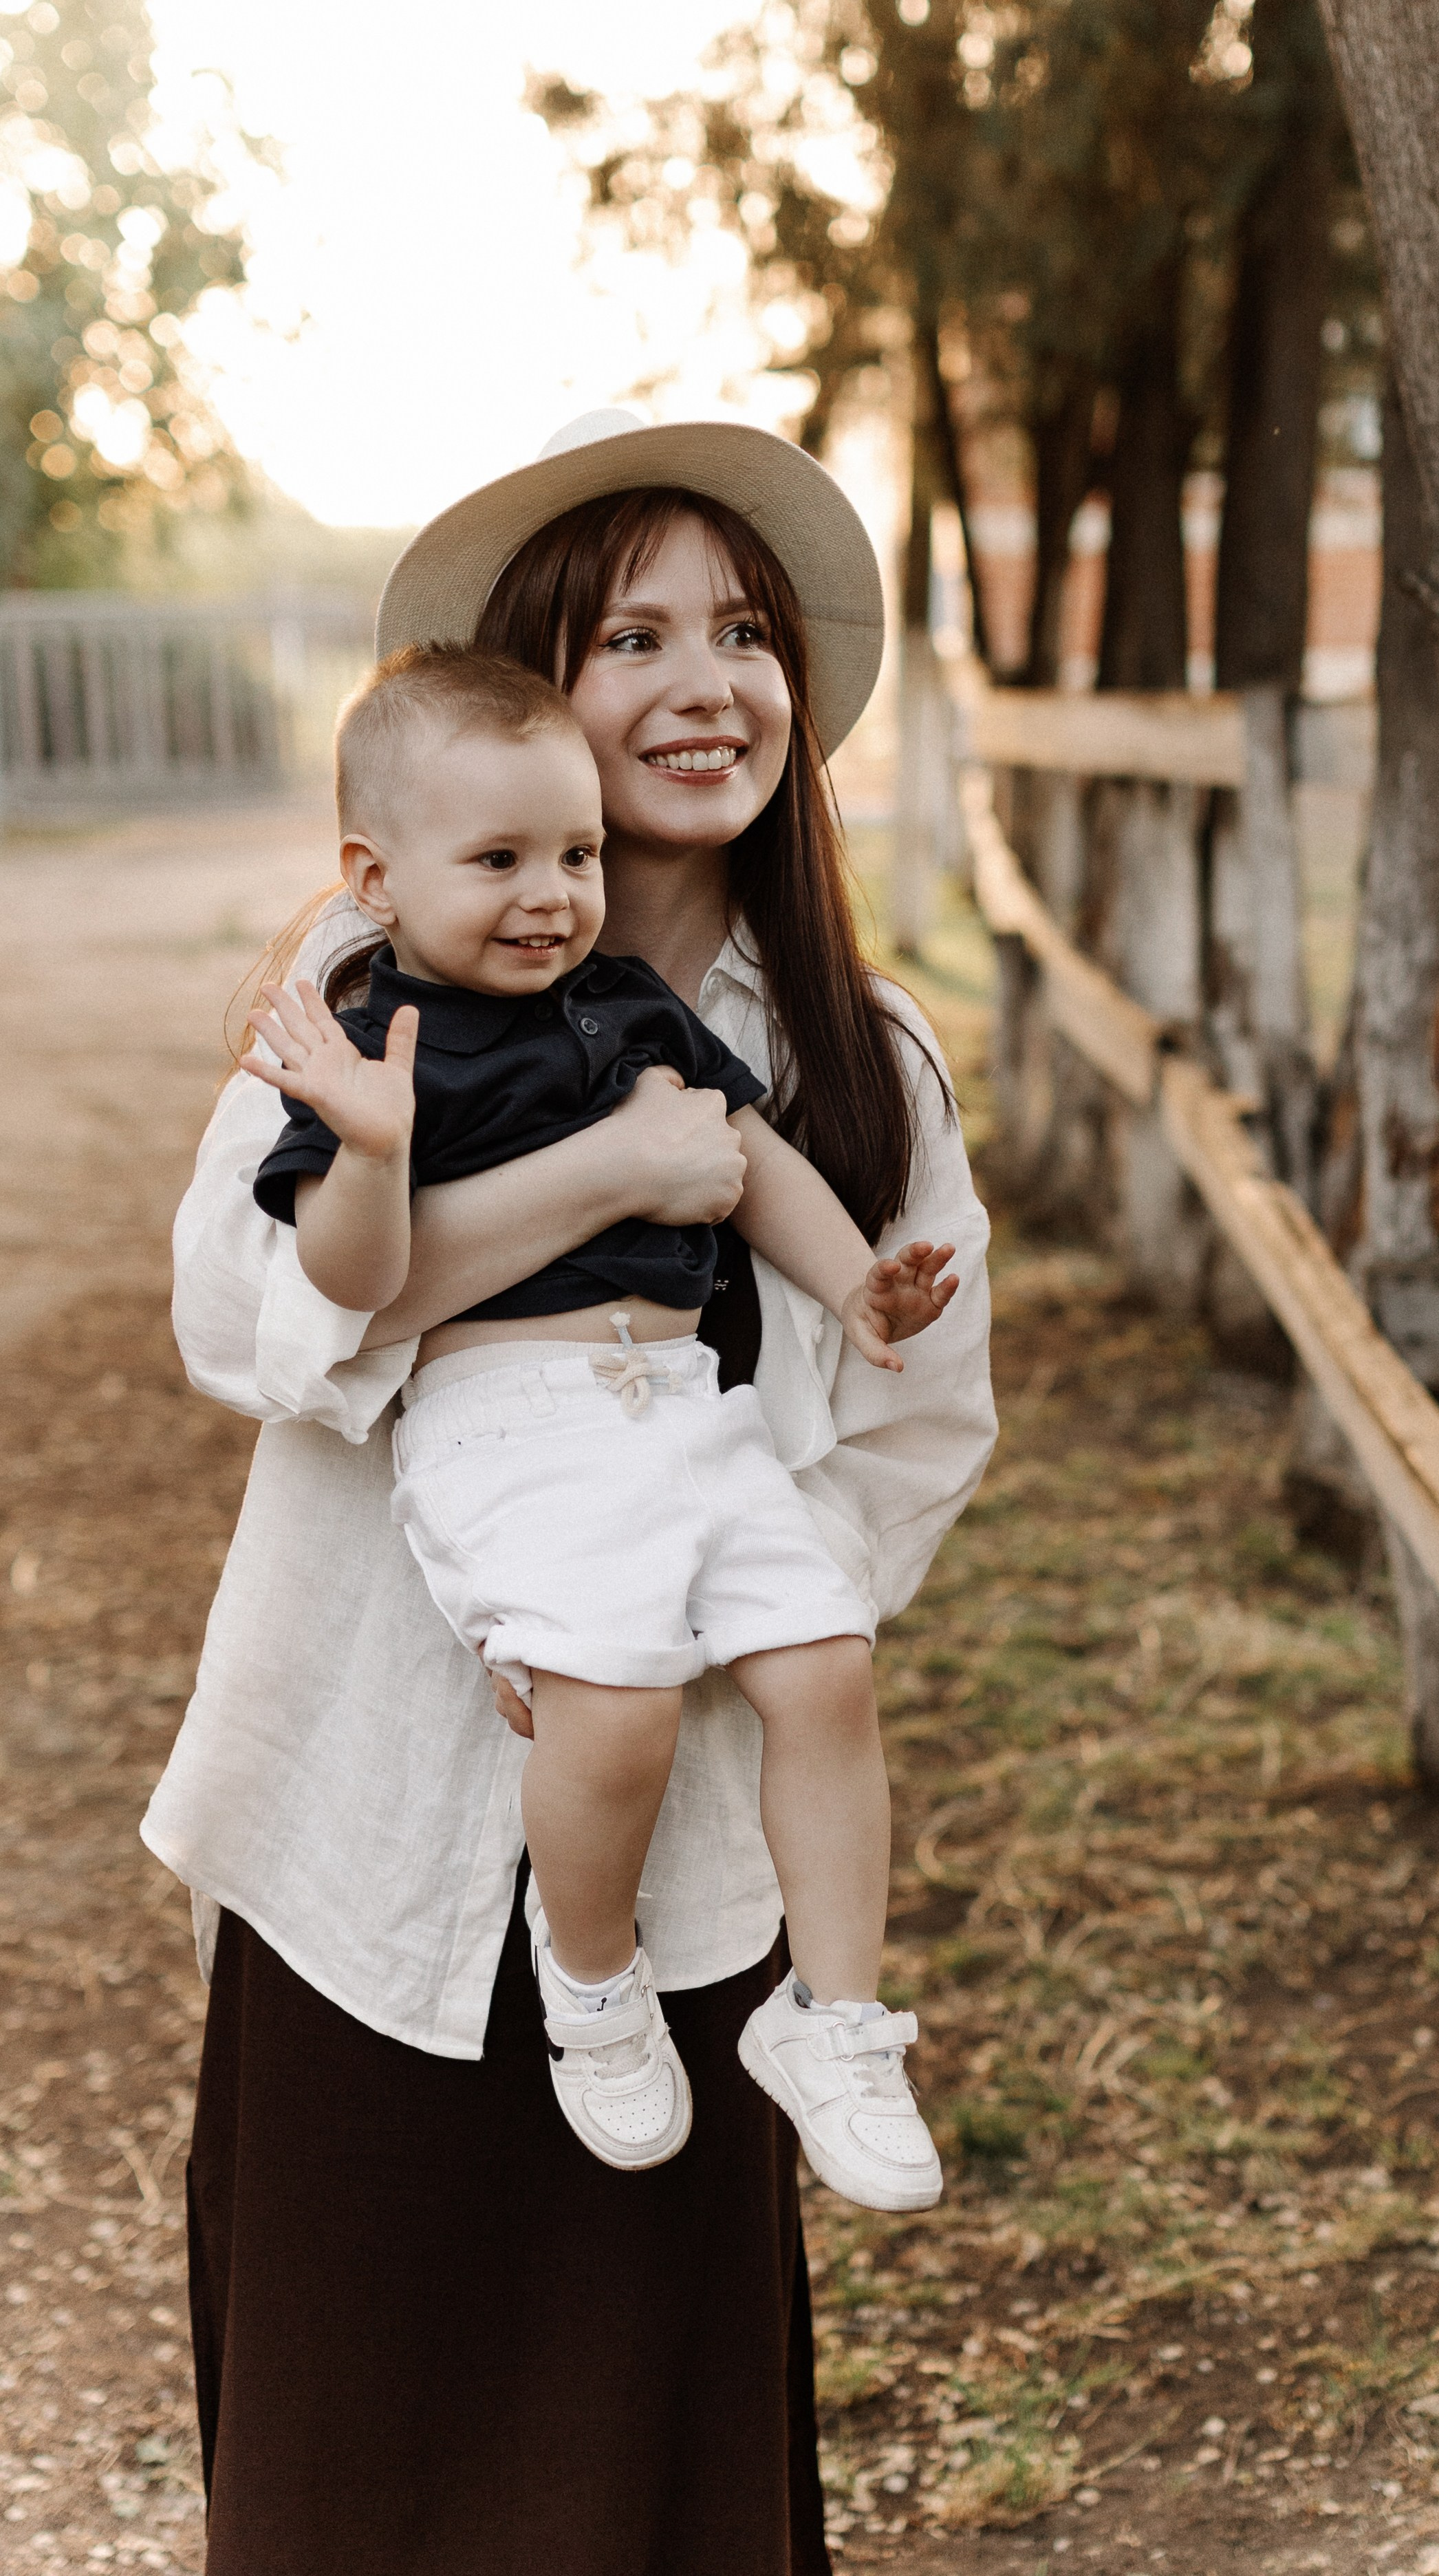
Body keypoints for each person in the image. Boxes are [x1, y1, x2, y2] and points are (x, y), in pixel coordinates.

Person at [145, 407, 995, 2574]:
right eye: (635, 634)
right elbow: (251, 1328)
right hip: (364, 1824)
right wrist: (610, 1177)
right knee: (357, 2446)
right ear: (535, 682)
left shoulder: (854, 1053)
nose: (705, 683)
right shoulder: (354, 1005)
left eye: (744, 633)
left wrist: (705, 1622)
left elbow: (919, 1424)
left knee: (641, 2463)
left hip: (683, 1825)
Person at [244, 640, 954, 2207]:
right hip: (512, 1424)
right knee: (614, 1707)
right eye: (498, 860)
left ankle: (835, 2022)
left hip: (685, 1411)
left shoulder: (621, 1000)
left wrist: (857, 1291)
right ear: (376, 872)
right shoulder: (361, 1040)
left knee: (827, 1666)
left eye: (575, 854)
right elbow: (349, 1289)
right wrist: (366, 1152)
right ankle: (595, 1981)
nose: (551, 893)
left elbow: (741, 1157)